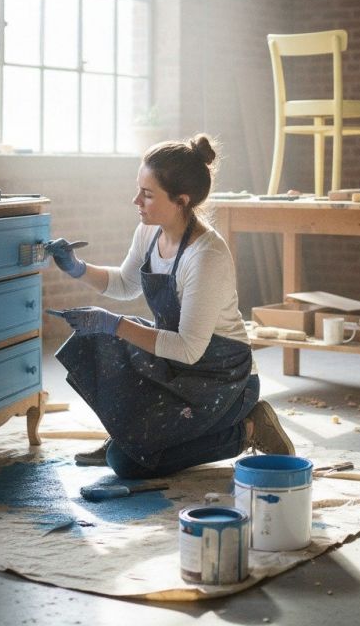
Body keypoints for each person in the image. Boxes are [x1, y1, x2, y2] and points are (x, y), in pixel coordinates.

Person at [45, 134, 294, 479]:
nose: (136, 201)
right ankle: (130, 437)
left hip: (220, 374)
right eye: (138, 190)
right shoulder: (149, 231)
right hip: (175, 357)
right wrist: (77, 268)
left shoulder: (205, 255)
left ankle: (248, 428)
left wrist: (115, 323)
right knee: (99, 341)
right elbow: (125, 284)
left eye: (147, 195)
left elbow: (189, 349)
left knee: (126, 463)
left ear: (181, 200)